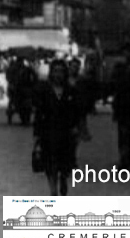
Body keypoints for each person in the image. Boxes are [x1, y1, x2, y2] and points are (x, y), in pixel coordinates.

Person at [32, 59, 89, 196]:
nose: (58, 74)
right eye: (56, 71)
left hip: (66, 134)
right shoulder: (44, 91)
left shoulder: (71, 91)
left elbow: (77, 111)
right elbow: (39, 113)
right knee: (50, 166)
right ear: (52, 72)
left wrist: (78, 129)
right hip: (49, 134)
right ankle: (53, 191)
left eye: (61, 71)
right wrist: (37, 134)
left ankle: (63, 184)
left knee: (64, 166)